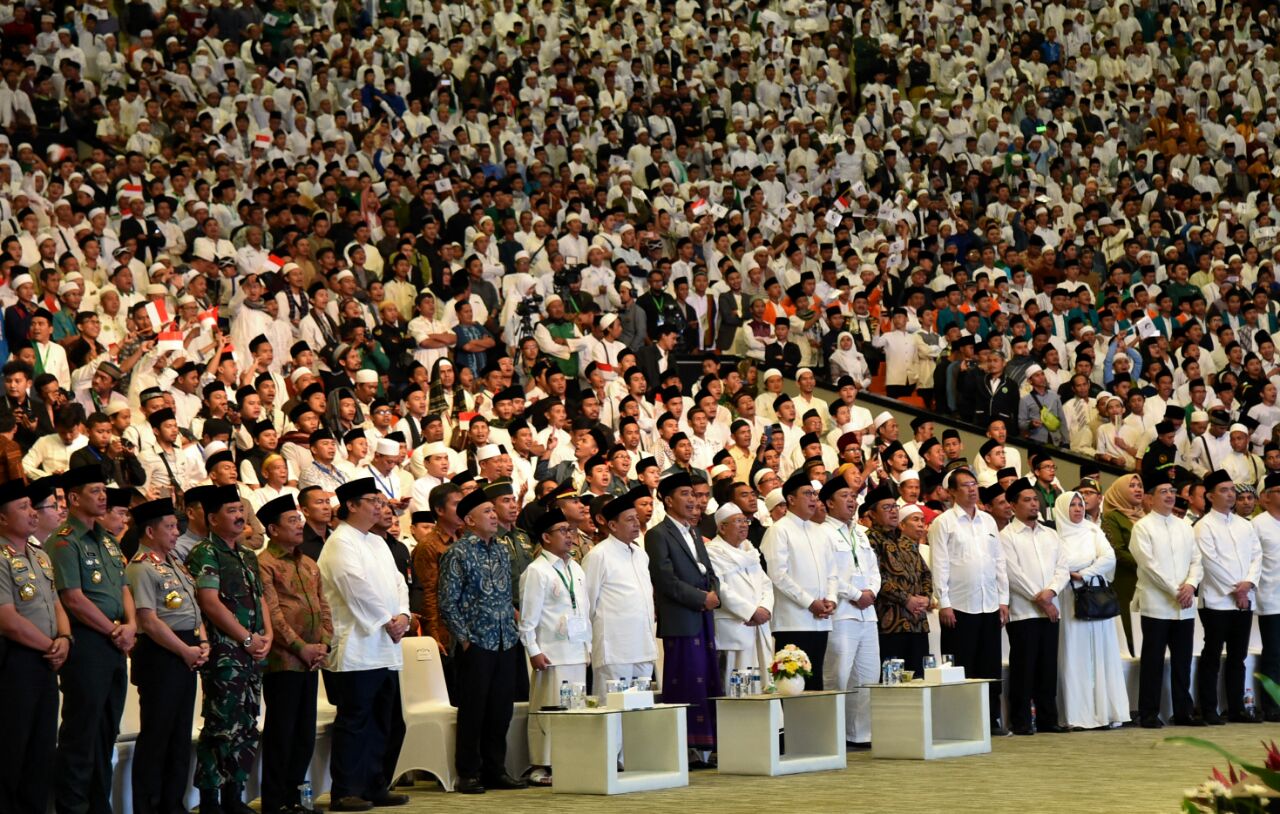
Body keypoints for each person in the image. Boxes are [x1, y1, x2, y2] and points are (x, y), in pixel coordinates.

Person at [317, 478, 411, 810]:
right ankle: (345, 790)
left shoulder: (377, 542)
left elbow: (398, 582)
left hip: (386, 645)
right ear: (352, 505)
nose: (380, 506)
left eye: (380, 501)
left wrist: (403, 615)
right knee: (356, 720)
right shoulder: (341, 542)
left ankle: (375, 784)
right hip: (357, 647)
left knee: (384, 720)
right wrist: (387, 620)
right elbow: (353, 586)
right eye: (371, 500)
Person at [50, 466, 136, 814]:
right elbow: (72, 597)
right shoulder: (64, 541)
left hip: (115, 642)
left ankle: (100, 805)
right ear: (73, 498)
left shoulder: (107, 540)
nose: (103, 497)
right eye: (95, 491)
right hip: (87, 644)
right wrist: (114, 629)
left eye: (105, 490)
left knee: (106, 732)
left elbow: (124, 586)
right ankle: (73, 807)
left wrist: (130, 624)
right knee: (81, 733)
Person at [438, 485, 528, 794]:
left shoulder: (502, 549)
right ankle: (469, 772)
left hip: (505, 639)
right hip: (476, 642)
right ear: (470, 521)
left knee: (501, 708)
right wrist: (463, 639)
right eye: (487, 512)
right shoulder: (457, 553)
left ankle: (496, 769)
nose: (494, 515)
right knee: (474, 710)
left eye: (494, 510)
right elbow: (447, 602)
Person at [125, 497, 208, 814]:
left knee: (179, 733)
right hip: (161, 653)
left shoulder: (175, 562)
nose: (177, 532)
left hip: (186, 649)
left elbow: (193, 609)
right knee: (157, 734)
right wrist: (186, 649)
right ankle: (148, 804)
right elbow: (148, 620)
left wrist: (202, 642)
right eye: (170, 527)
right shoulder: (142, 567)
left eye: (176, 526)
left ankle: (174, 802)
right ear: (149, 530)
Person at [257, 494, 334, 814]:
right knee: (282, 732)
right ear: (273, 529)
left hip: (311, 660)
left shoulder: (308, 562)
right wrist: (302, 647)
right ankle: (275, 801)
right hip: (283, 660)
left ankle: (295, 796)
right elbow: (272, 614)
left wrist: (324, 643)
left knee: (304, 733)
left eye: (299, 520)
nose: (299, 525)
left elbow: (324, 605)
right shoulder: (264, 563)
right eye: (292, 521)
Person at [0, 479, 70, 814]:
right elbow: (7, 620)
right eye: (24, 507)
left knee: (43, 749)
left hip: (47, 661)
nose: (32, 513)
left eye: (32, 506)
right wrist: (51, 646)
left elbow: (57, 603)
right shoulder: (0, 556)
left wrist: (65, 639)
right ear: (2, 518)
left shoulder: (39, 556)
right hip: (16, 663)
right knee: (13, 749)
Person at [645, 471, 722, 761]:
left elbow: (710, 571)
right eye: (685, 495)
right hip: (682, 618)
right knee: (686, 681)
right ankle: (684, 747)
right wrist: (702, 598)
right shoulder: (657, 535)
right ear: (667, 500)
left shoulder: (693, 532)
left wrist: (715, 593)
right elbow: (665, 579)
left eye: (694, 494)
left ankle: (708, 746)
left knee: (708, 679)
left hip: (704, 618)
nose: (693, 500)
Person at [929, 467, 1008, 732]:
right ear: (951, 491)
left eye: (974, 484)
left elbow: (999, 561)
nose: (972, 489)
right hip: (959, 606)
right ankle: (960, 722)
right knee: (962, 665)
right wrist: (944, 602)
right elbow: (939, 564)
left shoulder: (987, 521)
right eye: (965, 485)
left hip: (989, 603)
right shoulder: (944, 522)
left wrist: (1003, 600)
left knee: (989, 665)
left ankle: (990, 719)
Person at [519, 508, 591, 786]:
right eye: (563, 531)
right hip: (551, 653)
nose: (570, 536)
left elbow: (583, 610)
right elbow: (528, 617)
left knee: (575, 710)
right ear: (546, 537)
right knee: (548, 709)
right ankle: (541, 765)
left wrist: (588, 646)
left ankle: (570, 760)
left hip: (576, 649)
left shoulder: (575, 567)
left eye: (570, 531)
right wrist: (533, 650)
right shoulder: (537, 571)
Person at [1130, 468, 1204, 728]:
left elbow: (1197, 560)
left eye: (1172, 491)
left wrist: (1191, 585)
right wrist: (1177, 591)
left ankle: (1183, 711)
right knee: (1153, 661)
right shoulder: (1142, 528)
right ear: (1150, 498)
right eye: (1164, 492)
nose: (1170, 496)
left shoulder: (1184, 526)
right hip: (1157, 605)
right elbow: (1150, 567)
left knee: (1183, 662)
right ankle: (1149, 712)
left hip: (1184, 606)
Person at [1052, 491, 1130, 730]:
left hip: (1093, 596)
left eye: (1081, 504)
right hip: (1068, 597)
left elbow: (1108, 558)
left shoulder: (1092, 530)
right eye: (1072, 505)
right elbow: (1060, 564)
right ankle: (1078, 715)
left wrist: (1084, 573)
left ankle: (1105, 712)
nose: (1077, 509)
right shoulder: (1055, 535)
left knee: (1101, 653)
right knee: (1075, 653)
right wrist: (1081, 568)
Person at [999, 480, 1068, 736]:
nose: (1033, 504)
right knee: (1024, 668)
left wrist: (1051, 593)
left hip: (1050, 608)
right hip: (1024, 611)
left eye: (1035, 500)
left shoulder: (1050, 534)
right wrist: (1041, 600)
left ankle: (1049, 719)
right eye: (1026, 500)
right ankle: (1021, 721)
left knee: (1048, 667)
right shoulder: (1006, 536)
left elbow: (1062, 568)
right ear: (1013, 505)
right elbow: (1012, 574)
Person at [1195, 469, 1263, 724]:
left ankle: (1236, 708)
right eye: (1224, 490)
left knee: (1238, 657)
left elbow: (1257, 556)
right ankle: (1209, 709)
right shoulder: (1203, 526)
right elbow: (1209, 562)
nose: (1230, 494)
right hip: (1216, 601)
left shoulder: (1245, 525)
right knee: (1212, 655)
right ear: (1210, 496)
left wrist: (1248, 584)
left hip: (1243, 601)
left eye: (1232, 489)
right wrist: (1237, 590)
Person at [821, 477, 880, 747]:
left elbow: (873, 570)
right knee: (839, 674)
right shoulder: (823, 533)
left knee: (868, 675)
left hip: (868, 613)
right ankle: (833, 734)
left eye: (853, 495)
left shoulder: (861, 533)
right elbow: (828, 574)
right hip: (843, 612)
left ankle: (860, 734)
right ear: (829, 503)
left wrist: (872, 593)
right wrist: (856, 595)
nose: (851, 500)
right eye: (845, 495)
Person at [761, 471, 835, 689]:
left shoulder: (820, 531)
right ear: (791, 499)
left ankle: (813, 724)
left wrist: (831, 599)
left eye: (814, 494)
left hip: (821, 621)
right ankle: (793, 725)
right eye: (807, 494)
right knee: (793, 686)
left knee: (816, 684)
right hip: (793, 621)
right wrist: (809, 602)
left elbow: (832, 572)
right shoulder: (779, 530)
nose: (814, 498)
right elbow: (778, 575)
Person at [583, 485, 658, 696]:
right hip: (614, 648)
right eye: (629, 519)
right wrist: (588, 643)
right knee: (612, 709)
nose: (636, 523)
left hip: (642, 645)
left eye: (637, 518)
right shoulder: (599, 555)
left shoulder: (640, 554)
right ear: (613, 525)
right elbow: (586, 603)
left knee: (642, 708)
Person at [704, 501, 773, 688]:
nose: (744, 525)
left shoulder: (750, 550)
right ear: (722, 527)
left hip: (759, 625)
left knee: (763, 685)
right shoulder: (713, 552)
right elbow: (720, 588)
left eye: (745, 521)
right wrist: (750, 611)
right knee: (738, 686)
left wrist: (764, 608)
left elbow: (766, 583)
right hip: (736, 625)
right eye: (738, 521)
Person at [868, 487, 933, 676]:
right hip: (891, 624)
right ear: (872, 513)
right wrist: (907, 599)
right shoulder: (871, 540)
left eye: (895, 506)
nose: (893, 511)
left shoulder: (906, 541)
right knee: (894, 683)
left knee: (920, 679)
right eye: (886, 507)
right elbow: (877, 577)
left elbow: (925, 574)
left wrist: (925, 598)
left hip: (918, 622)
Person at [1100, 473, 1146, 655]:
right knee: (1129, 631)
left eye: (1140, 485)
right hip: (1125, 582)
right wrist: (1148, 566)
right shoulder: (1112, 517)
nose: (1138, 489)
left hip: (1146, 581)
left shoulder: (1146, 516)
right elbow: (1117, 551)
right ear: (1119, 491)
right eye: (1132, 485)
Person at [1252, 473, 1280, 722]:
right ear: (1267, 497)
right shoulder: (1258, 524)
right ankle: (1271, 705)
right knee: (1273, 654)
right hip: (1270, 598)